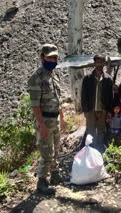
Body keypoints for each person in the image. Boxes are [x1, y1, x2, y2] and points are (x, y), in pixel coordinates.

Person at [28, 44, 67, 195]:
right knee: (46, 153)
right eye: (50, 57)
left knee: (56, 149)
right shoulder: (36, 78)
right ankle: (42, 182)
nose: (53, 60)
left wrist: (62, 117)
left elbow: (58, 99)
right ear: (42, 57)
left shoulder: (54, 75)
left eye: (55, 57)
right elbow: (35, 106)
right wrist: (41, 125)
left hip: (55, 119)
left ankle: (55, 175)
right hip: (44, 121)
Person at [81, 55, 113, 153]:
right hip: (90, 109)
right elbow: (83, 95)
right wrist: (85, 110)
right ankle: (90, 150)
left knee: (101, 130)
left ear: (104, 64)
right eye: (98, 62)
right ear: (94, 63)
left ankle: (98, 150)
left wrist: (109, 111)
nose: (99, 64)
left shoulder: (108, 79)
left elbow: (111, 96)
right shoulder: (87, 78)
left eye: (102, 62)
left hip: (102, 110)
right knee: (90, 130)